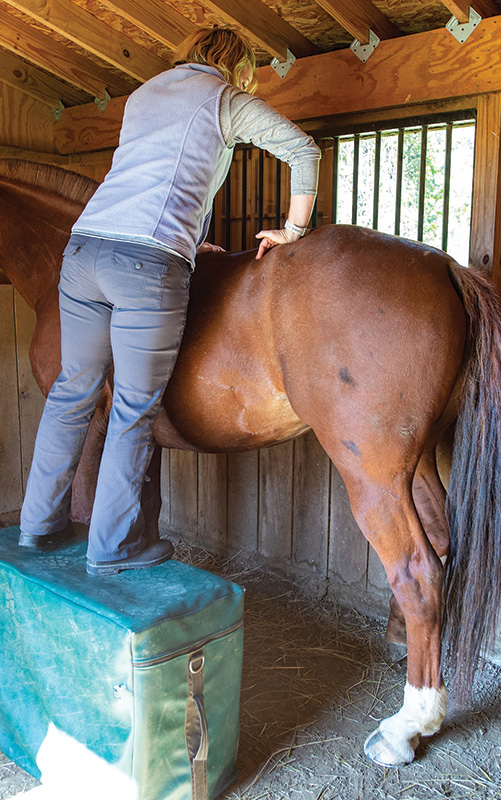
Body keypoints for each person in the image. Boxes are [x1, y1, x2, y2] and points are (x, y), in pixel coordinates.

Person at [18, 26, 320, 575]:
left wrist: (190, 233)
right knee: (133, 410)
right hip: (146, 264)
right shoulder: (228, 100)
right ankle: (112, 548)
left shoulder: (143, 95)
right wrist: (293, 232)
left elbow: (152, 173)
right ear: (239, 70)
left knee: (71, 393)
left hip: (84, 251)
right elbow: (303, 150)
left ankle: (36, 527)